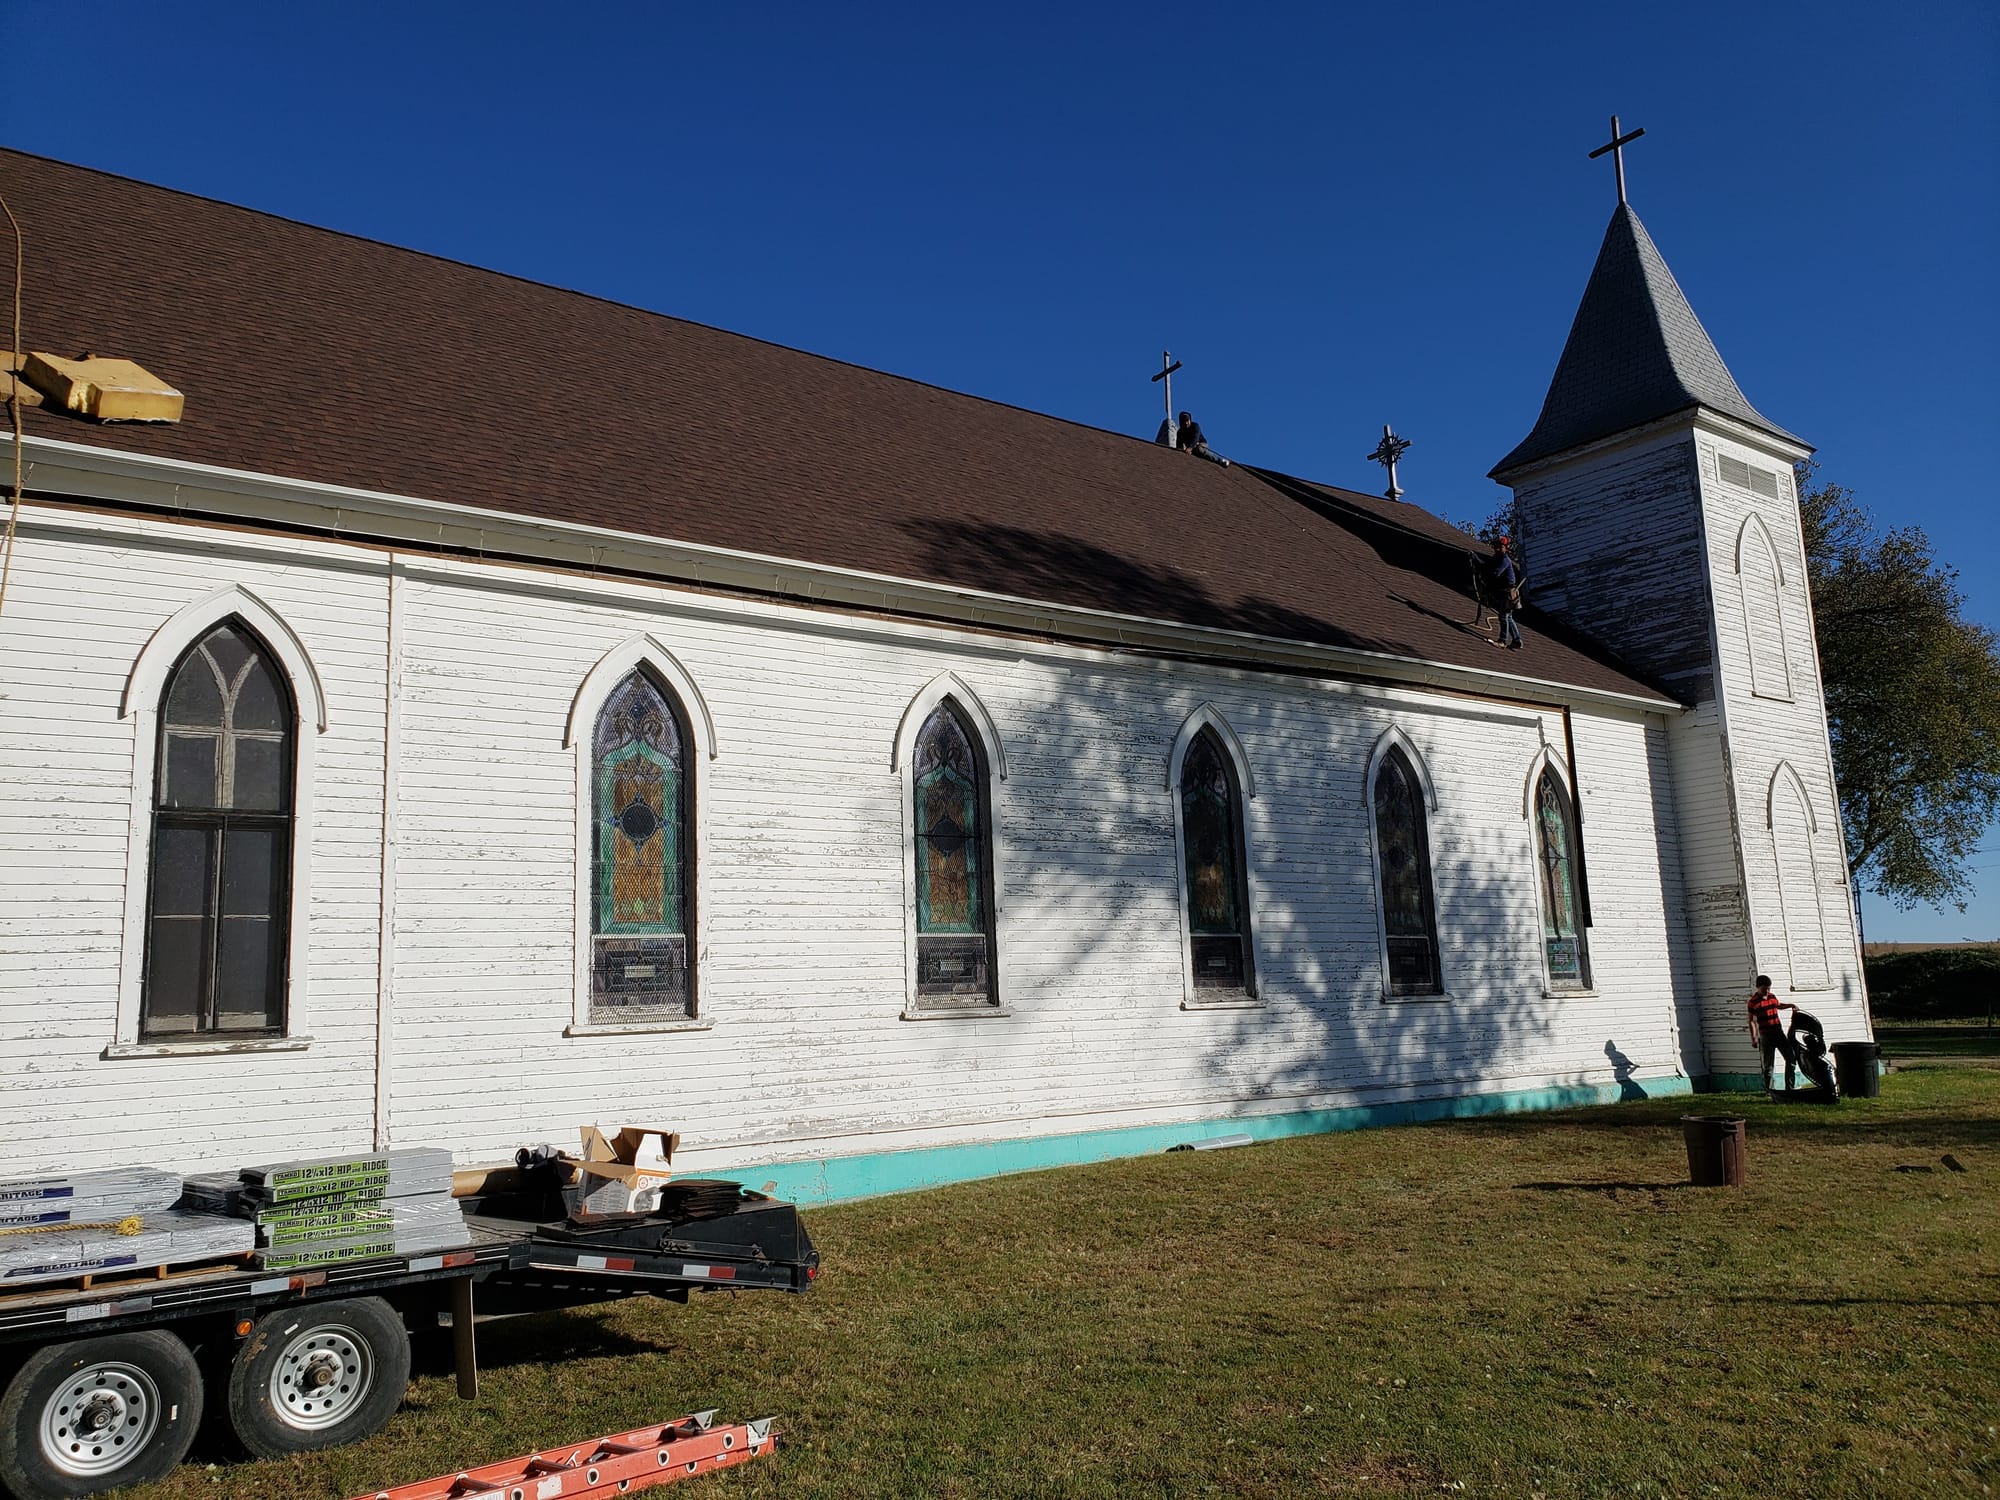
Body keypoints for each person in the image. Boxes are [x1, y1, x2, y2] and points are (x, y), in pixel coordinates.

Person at [1747, 974, 1800, 1090]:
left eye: (1769, 988)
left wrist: (1791, 1005)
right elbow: (1752, 1021)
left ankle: (1790, 1087)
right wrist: (1754, 1038)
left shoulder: (1772, 997)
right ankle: (1769, 1090)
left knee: (1791, 1058)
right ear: (1758, 987)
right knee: (1769, 1066)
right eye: (1764, 988)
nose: (1767, 991)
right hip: (1766, 1036)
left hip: (1778, 1033)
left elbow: (1778, 1005)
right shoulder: (1753, 1002)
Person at [1487, 535, 1524, 650]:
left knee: (1503, 616)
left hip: (1508, 592)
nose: (1497, 549)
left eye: (1500, 547)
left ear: (1505, 548)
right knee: (1508, 617)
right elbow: (1487, 565)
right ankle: (1517, 641)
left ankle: (1503, 641)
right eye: (1496, 546)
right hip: (1505, 591)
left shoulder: (1504, 560)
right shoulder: (1497, 558)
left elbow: (1496, 573)